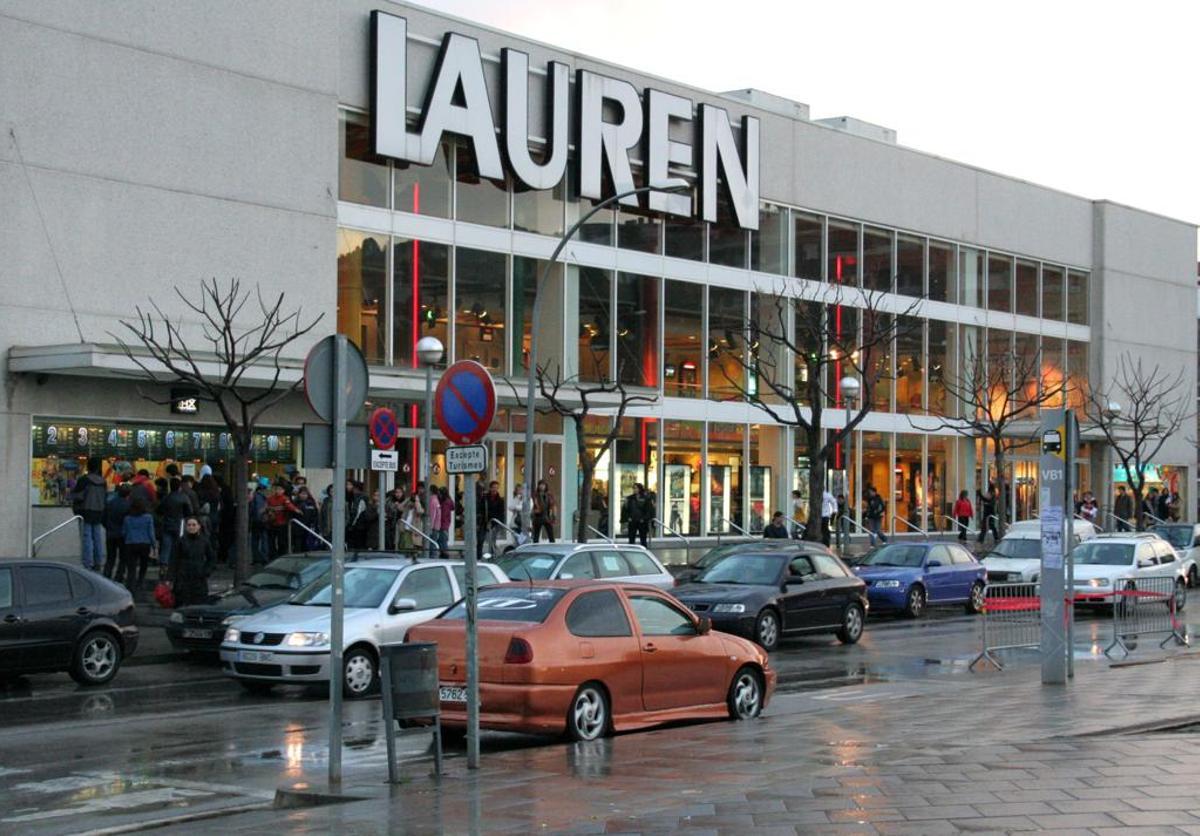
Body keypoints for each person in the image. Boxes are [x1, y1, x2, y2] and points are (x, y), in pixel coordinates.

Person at [70, 456, 108, 572]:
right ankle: (98, 562)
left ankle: (87, 563)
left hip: (85, 512)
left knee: (86, 538)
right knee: (97, 538)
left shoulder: (84, 480)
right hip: (98, 512)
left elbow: (77, 496)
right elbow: (105, 498)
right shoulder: (103, 482)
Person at [170, 516, 214, 607]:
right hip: (183, 577)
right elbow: (174, 559)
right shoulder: (181, 541)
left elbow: (211, 558)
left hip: (199, 577)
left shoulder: (204, 541)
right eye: (189, 525)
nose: (191, 527)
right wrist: (172, 576)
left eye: (194, 525)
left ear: (199, 526)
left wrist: (206, 571)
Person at [120, 498, 156, 592]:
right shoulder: (148, 517)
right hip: (145, 544)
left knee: (131, 567)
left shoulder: (127, 518)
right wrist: (154, 545)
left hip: (131, 543)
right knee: (143, 564)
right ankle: (140, 581)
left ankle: (130, 584)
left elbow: (124, 532)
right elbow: (151, 532)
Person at [160, 477, 194, 570]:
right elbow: (190, 511)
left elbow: (159, 510)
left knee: (166, 546)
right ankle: (179, 563)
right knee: (180, 545)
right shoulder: (184, 497)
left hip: (167, 524)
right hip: (180, 524)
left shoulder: (166, 498)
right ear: (179, 486)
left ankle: (164, 564)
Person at [102, 482, 131, 578]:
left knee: (110, 558)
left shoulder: (110, 503)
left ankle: (106, 576)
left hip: (110, 532)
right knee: (123, 558)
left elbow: (103, 518)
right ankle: (119, 577)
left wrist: (108, 526)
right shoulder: (128, 505)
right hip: (122, 534)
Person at [265, 483, 299, 558]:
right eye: (276, 489)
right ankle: (272, 556)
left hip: (281, 523)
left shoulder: (284, 498)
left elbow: (290, 506)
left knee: (281, 542)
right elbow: (266, 507)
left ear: (283, 491)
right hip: (272, 523)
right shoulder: (270, 498)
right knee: (271, 542)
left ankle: (280, 556)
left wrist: (296, 510)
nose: (278, 491)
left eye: (280, 489)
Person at [293, 486, 320, 550]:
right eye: (302, 494)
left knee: (307, 543)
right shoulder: (295, 503)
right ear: (299, 494)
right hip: (298, 526)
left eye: (305, 494)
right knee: (298, 543)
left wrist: (314, 523)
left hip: (308, 526)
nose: (303, 495)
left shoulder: (311, 503)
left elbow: (315, 514)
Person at [346, 481, 371, 549]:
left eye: (350, 485)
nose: (348, 487)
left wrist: (352, 524)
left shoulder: (361, 497)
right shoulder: (351, 497)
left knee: (358, 545)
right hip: (356, 525)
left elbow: (358, 512)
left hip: (359, 526)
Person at [437, 487, 455, 557]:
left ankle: (445, 554)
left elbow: (443, 515)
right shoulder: (448, 501)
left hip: (443, 524)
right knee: (442, 540)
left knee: (442, 540)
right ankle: (444, 553)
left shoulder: (445, 503)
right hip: (446, 523)